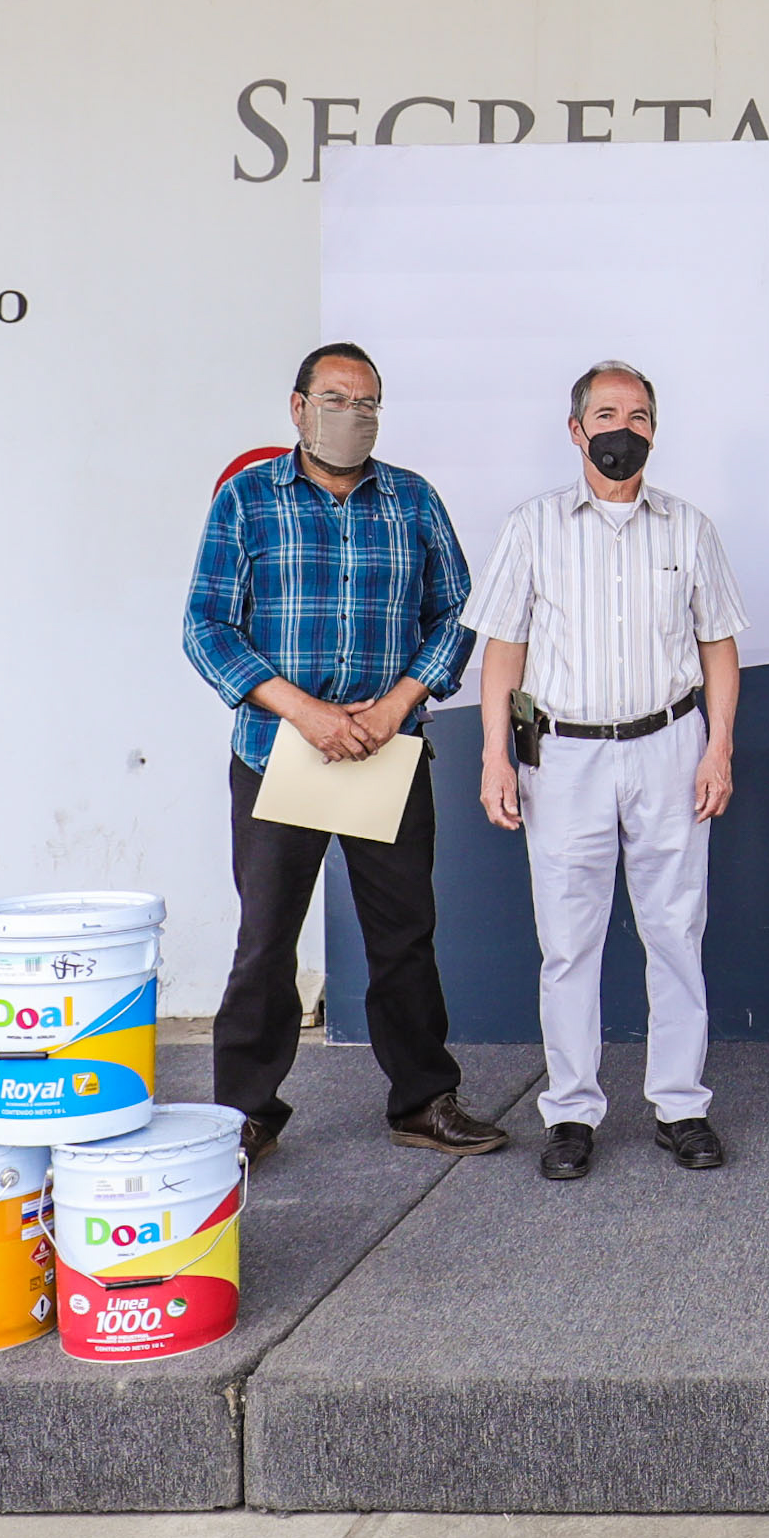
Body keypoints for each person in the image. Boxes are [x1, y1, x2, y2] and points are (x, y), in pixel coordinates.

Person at [183, 342, 505, 1164]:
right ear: (298, 409)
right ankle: (245, 1113)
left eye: (367, 403)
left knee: (404, 936)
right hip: (277, 753)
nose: (352, 416)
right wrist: (305, 712)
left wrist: (400, 703)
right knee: (267, 940)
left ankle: (424, 1100)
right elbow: (206, 625)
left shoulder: (413, 500)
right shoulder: (248, 500)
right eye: (336, 399)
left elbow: (458, 612)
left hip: (386, 756)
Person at [472, 361, 748, 1182]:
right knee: (567, 941)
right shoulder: (533, 527)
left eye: (637, 414)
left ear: (655, 429)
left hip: (668, 744)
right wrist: (495, 753)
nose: (621, 428)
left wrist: (719, 744)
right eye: (605, 413)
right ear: (576, 429)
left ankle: (680, 1104)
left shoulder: (689, 528)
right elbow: (504, 651)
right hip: (562, 754)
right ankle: (570, 1111)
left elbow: (719, 644)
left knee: (675, 931)